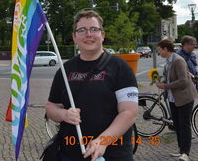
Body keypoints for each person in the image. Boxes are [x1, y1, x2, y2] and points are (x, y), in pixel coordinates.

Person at [46, 10, 138, 161]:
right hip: (69, 155)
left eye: (94, 29)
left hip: (113, 155)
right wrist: (64, 114)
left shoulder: (120, 67)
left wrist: (102, 141)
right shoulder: (64, 70)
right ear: (74, 37)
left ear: (102, 35)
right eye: (81, 30)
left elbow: (129, 112)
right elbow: (51, 107)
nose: (88, 34)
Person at [156, 39, 197, 161]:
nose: (158, 52)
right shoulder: (168, 61)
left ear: (165, 49)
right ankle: (181, 149)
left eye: (159, 49)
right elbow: (168, 77)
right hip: (173, 98)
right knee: (177, 125)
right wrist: (163, 82)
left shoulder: (178, 60)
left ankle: (186, 153)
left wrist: (165, 86)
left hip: (184, 97)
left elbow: (183, 81)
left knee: (184, 125)